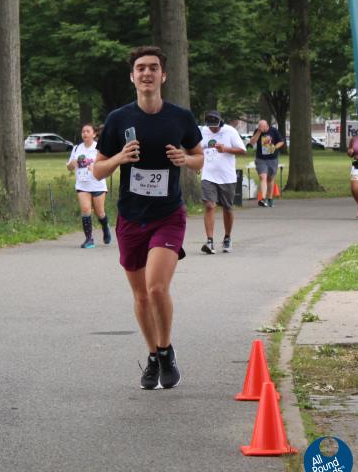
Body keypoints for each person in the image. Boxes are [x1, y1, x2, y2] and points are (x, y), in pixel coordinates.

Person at [93, 46, 203, 390]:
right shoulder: (118, 119)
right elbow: (97, 170)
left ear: (163, 75)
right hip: (130, 217)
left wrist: (185, 160)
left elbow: (200, 158)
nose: (147, 73)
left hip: (168, 215)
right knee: (141, 295)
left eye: (153, 68)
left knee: (156, 287)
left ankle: (166, 351)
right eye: (140, 68)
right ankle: (153, 355)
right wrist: (120, 158)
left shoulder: (180, 117)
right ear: (132, 76)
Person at [198, 110, 246, 254]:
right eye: (210, 126)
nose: (213, 129)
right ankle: (209, 241)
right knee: (209, 205)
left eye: (215, 126)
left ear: (220, 123)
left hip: (227, 176)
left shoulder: (230, 131)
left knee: (227, 207)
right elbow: (197, 150)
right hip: (208, 174)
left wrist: (225, 149)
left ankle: (227, 237)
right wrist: (197, 163)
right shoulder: (202, 131)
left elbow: (242, 150)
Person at [66, 123, 111, 248]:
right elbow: (69, 167)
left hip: (97, 184)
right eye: (83, 131)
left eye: (87, 131)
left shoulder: (99, 148)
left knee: (100, 212)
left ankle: (105, 227)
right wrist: (72, 164)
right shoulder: (77, 148)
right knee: (85, 209)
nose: (85, 133)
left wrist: (95, 168)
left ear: (94, 134)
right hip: (82, 184)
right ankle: (89, 239)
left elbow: (107, 165)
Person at [248, 119, 284, 207]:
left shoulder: (273, 130)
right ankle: (263, 199)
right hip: (261, 159)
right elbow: (252, 143)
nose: (261, 128)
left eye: (262, 127)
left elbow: (281, 141)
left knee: (270, 179)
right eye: (259, 127)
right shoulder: (258, 131)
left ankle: (270, 198)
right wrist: (259, 132)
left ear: (266, 126)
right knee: (262, 177)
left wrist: (275, 147)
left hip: (272, 158)